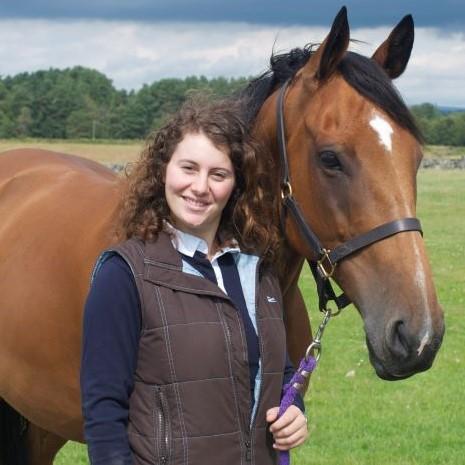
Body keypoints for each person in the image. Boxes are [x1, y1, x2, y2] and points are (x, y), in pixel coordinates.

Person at [80, 97, 308, 465]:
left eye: (218, 174)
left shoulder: (259, 271)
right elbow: (103, 408)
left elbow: (277, 370)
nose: (200, 187)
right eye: (188, 168)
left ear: (236, 184)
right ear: (164, 171)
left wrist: (294, 408)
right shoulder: (123, 275)